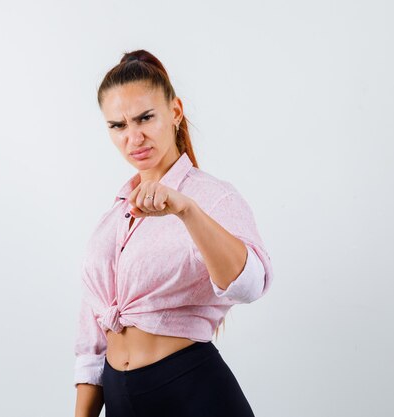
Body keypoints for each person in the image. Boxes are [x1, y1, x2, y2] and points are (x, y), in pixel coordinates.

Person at [73, 49, 274, 417]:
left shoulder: (211, 197)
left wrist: (185, 210)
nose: (134, 137)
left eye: (145, 117)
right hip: (120, 397)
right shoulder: (114, 216)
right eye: (118, 125)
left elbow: (251, 284)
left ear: (175, 112)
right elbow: (92, 341)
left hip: (191, 394)